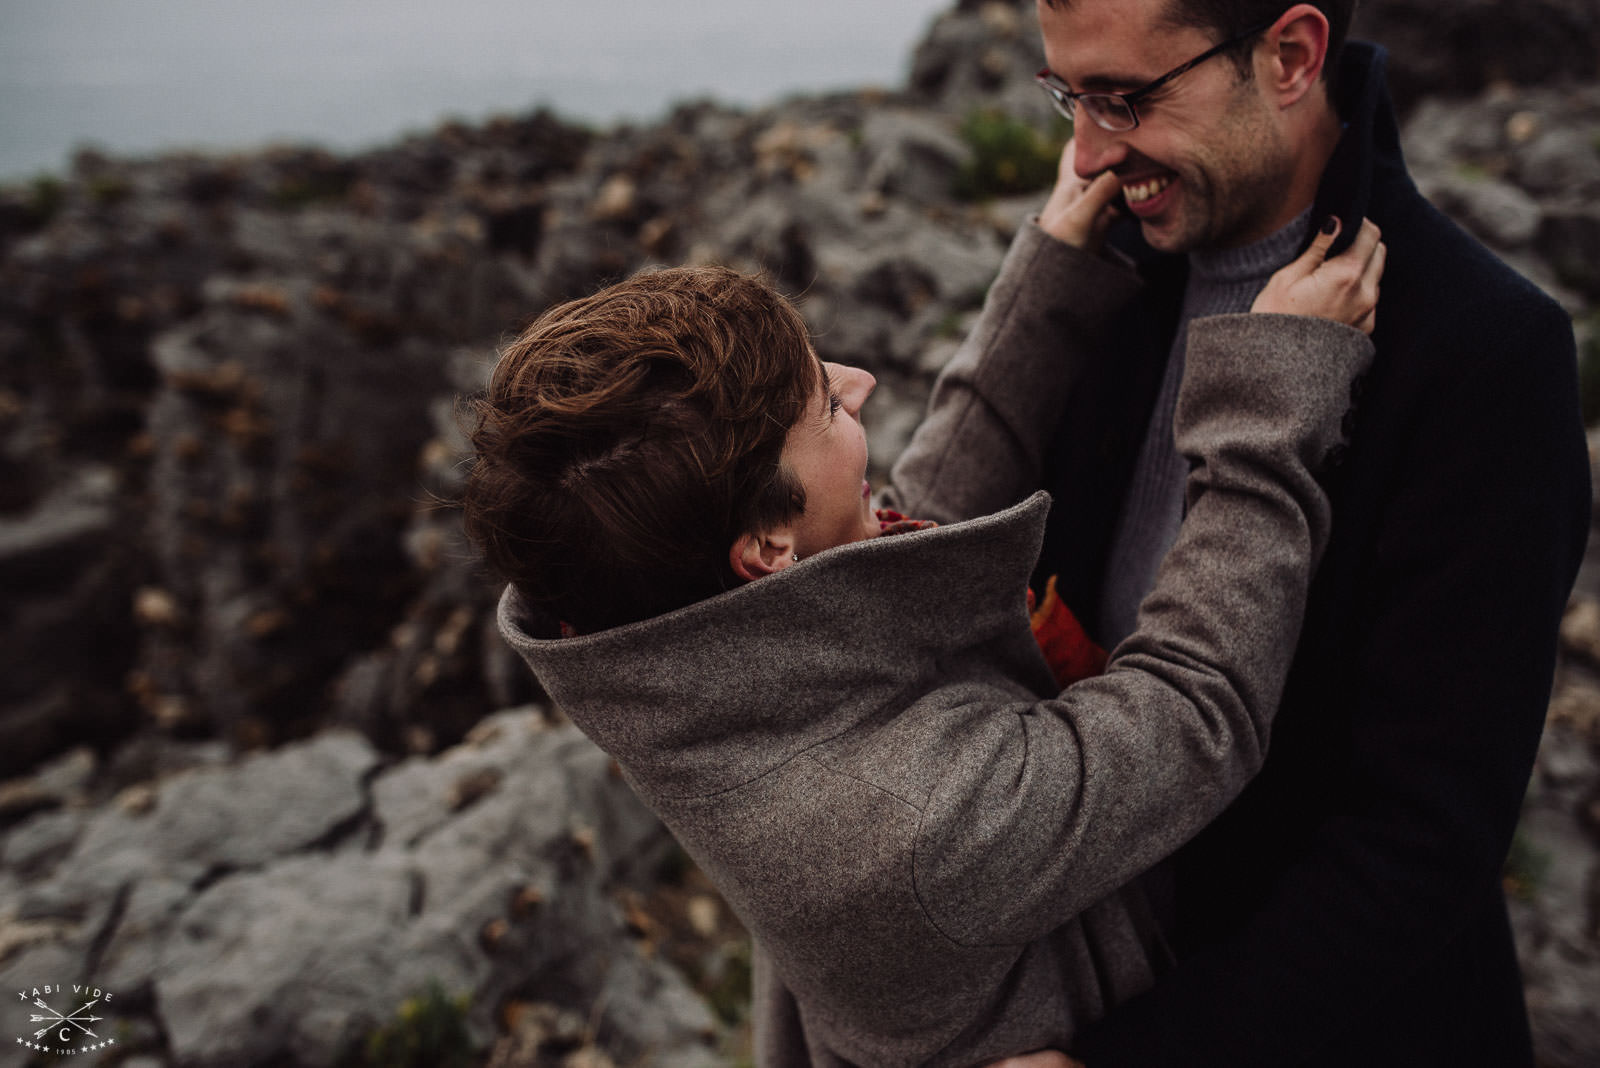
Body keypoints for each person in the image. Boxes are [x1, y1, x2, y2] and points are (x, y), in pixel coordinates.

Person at [462, 191, 1383, 1064]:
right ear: (767, 551)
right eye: (823, 406)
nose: (857, 382)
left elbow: (909, 530)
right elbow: (1193, 711)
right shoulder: (903, 831)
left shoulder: (686, 656)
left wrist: (1053, 271)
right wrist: (1269, 402)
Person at [917, 2, 1589, 1063]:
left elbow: (1422, 840)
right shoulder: (1105, 287)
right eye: (1066, 97)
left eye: (1124, 100)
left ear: (1287, 56)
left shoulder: (1483, 354)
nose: (1085, 153)